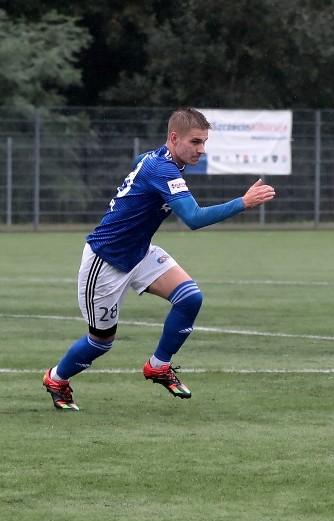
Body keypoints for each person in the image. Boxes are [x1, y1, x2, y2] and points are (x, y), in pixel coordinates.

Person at [42, 107, 276, 410]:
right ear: (175, 138)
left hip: (140, 251)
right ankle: (57, 379)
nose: (201, 150)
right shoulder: (163, 169)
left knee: (190, 298)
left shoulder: (162, 161)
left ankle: (158, 365)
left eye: (204, 142)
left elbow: (141, 162)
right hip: (107, 260)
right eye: (195, 142)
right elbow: (193, 218)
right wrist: (242, 203)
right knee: (101, 342)